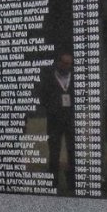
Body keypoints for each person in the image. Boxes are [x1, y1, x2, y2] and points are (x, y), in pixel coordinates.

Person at [40, 51, 75, 192]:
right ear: (59, 63)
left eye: (70, 64)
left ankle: (72, 181)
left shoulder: (74, 79)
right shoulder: (49, 78)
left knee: (72, 150)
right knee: (54, 151)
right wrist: (53, 108)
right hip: (54, 120)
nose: (67, 66)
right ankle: (53, 181)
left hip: (71, 120)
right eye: (65, 63)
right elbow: (43, 97)